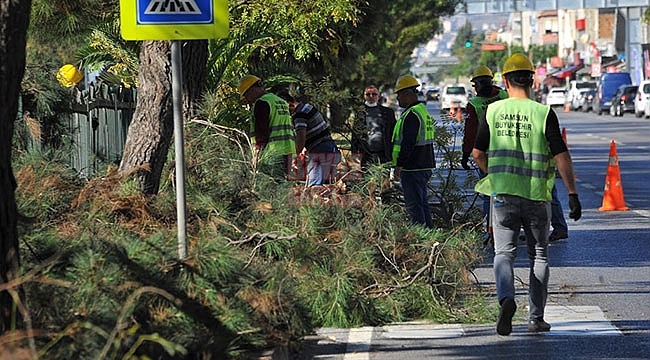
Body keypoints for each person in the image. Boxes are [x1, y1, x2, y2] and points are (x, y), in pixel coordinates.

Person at [472, 53, 582, 336]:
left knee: (503, 254)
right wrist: (571, 193)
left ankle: (506, 298)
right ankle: (536, 318)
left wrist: (492, 175)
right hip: (536, 196)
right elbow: (561, 155)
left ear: (505, 81)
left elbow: (477, 153)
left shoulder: (492, 112)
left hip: (504, 195)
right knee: (540, 256)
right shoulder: (544, 113)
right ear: (531, 80)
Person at [461, 65, 509, 242]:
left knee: (489, 193)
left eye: (476, 85)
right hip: (509, 152)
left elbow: (470, 133)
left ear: (481, 83)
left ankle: (492, 229)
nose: (475, 89)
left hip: (487, 156)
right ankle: (509, 227)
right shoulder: (505, 95)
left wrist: (466, 154)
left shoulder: (475, 104)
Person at [391, 75, 436, 228]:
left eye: (399, 95)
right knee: (422, 204)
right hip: (423, 165)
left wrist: (399, 165)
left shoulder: (412, 115)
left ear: (407, 94)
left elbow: (408, 143)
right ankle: (429, 235)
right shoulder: (421, 111)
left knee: (414, 207)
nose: (398, 99)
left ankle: (420, 238)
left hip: (413, 167)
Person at [277, 92, 341, 187]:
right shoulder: (307, 107)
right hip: (330, 148)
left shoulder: (299, 114)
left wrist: (295, 156)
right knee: (327, 186)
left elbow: (301, 138)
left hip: (319, 151)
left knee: (314, 187)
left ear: (289, 104)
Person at [238, 75, 295, 176]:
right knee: (282, 186)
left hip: (272, 154)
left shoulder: (262, 103)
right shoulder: (280, 101)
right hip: (289, 151)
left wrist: (256, 155)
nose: (247, 99)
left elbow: (261, 133)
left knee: (271, 187)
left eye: (246, 95)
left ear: (252, 90)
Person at [352, 85, 397, 168]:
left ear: (378, 96)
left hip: (384, 154)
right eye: (368, 94)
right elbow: (355, 135)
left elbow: (393, 133)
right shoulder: (360, 113)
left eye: (374, 94)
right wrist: (354, 155)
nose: (371, 96)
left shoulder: (388, 112)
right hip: (366, 154)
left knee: (384, 179)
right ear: (364, 96)